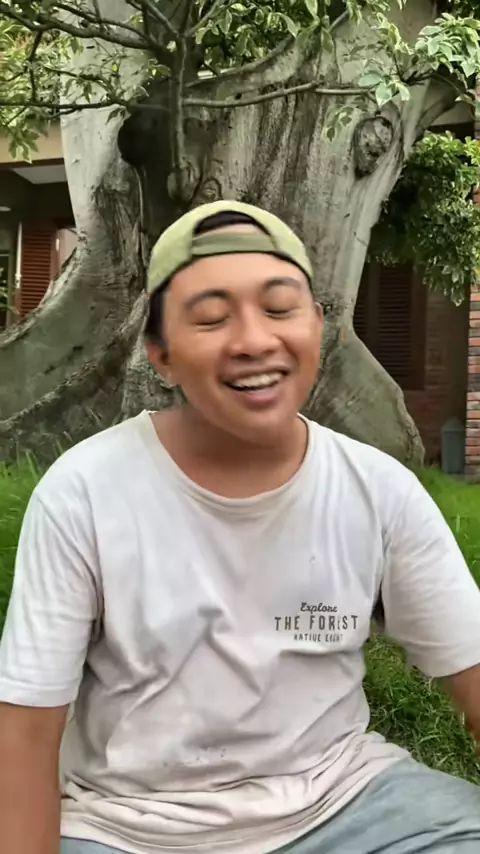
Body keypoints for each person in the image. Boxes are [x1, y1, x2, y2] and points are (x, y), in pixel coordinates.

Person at [0, 200, 480, 854]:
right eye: (211, 318)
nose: (254, 340)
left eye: (280, 308)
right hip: (132, 827)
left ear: (319, 327)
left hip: (342, 802)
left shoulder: (377, 489)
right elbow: (27, 731)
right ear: (160, 356)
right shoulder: (85, 491)